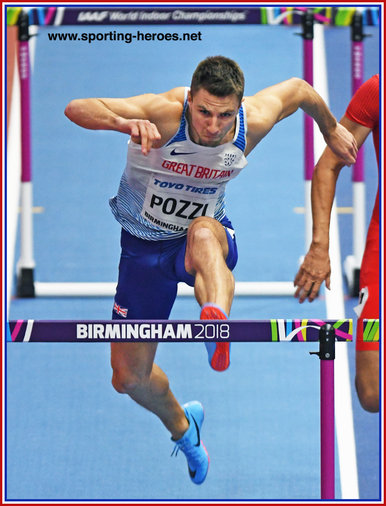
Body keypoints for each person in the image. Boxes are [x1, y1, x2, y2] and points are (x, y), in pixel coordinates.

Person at [65, 56, 357, 484]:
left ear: (238, 107)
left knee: (203, 232)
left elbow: (299, 90)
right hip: (143, 250)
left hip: (205, 243)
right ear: (190, 100)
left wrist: (330, 128)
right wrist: (121, 123)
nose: (213, 125)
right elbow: (76, 107)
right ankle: (185, 428)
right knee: (129, 378)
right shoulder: (164, 112)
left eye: (224, 115)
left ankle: (214, 323)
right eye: (203, 111)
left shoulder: (250, 122)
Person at [294, 74, 379, 413]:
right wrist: (319, 246)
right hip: (381, 254)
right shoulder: (376, 90)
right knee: (370, 392)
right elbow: (328, 165)